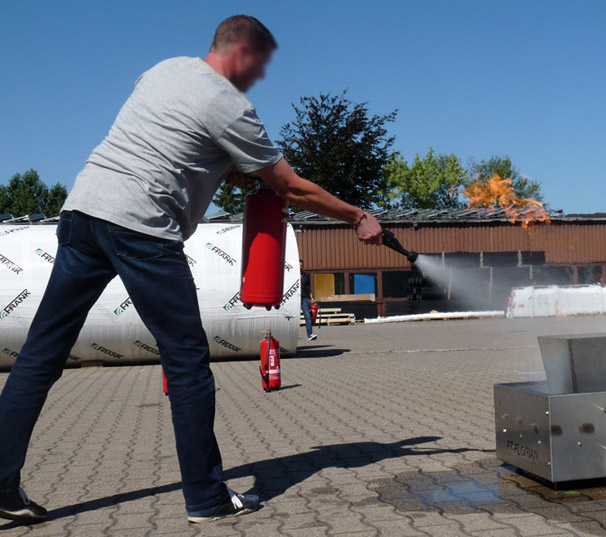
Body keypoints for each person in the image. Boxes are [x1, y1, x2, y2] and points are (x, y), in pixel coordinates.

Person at [0, 14, 382, 524]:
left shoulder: (162, 70)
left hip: (83, 212)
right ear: (242, 53)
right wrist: (357, 216)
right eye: (260, 66)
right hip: (141, 228)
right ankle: (206, 498)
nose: (259, 78)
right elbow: (290, 186)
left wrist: (221, 170)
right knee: (186, 361)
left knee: (39, 357)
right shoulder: (230, 104)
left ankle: (1, 486)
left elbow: (172, 143)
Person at [299, 260, 317, 341]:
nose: (301, 266)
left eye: (302, 265)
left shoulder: (306, 275)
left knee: (308, 315)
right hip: (295, 298)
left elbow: (308, 287)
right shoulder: (292, 275)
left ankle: (310, 334)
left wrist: (311, 297)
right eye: (300, 265)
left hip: (304, 298)